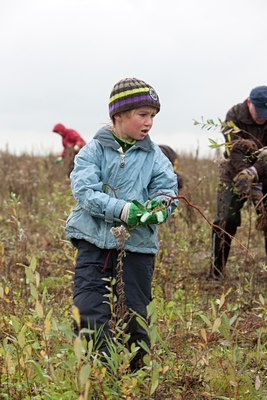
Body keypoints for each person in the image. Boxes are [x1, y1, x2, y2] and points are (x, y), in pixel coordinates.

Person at [65, 77, 178, 369]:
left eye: (152, 116)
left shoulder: (156, 157)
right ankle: (99, 374)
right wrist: (124, 210)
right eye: (142, 115)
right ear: (119, 116)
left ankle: (136, 375)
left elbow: (167, 192)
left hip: (138, 246)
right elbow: (85, 193)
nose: (149, 122)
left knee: (136, 315)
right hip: (94, 242)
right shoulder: (91, 152)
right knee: (89, 309)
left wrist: (159, 208)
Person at [210, 86, 267, 280]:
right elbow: (233, 151)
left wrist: (255, 174)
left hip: (264, 174)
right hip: (233, 173)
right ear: (249, 102)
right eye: (259, 112)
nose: (262, 117)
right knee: (226, 219)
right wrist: (245, 174)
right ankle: (216, 272)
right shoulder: (233, 115)